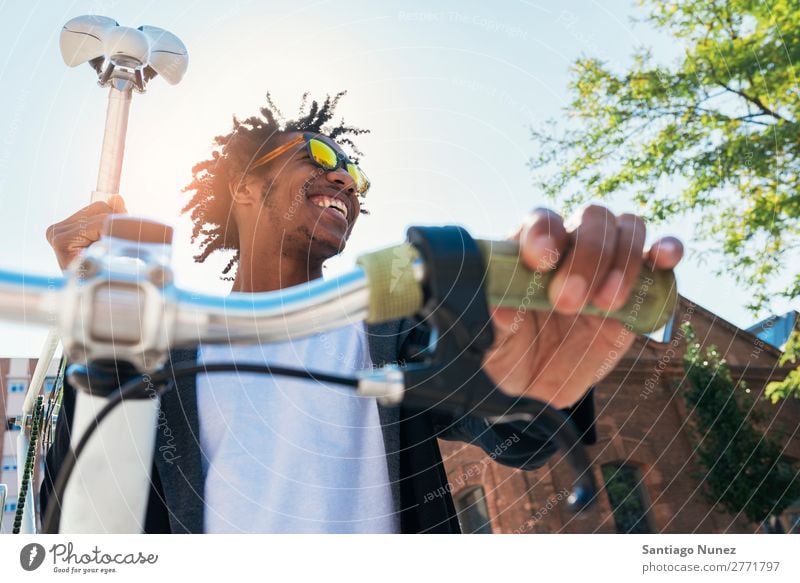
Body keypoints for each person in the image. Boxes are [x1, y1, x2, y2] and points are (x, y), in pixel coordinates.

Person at [41, 92, 683, 533]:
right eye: (318, 158)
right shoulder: (167, 351)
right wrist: (97, 341)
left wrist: (536, 376)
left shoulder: (389, 330)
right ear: (241, 185)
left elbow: (519, 433)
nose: (346, 180)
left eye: (355, 176)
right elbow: (79, 522)